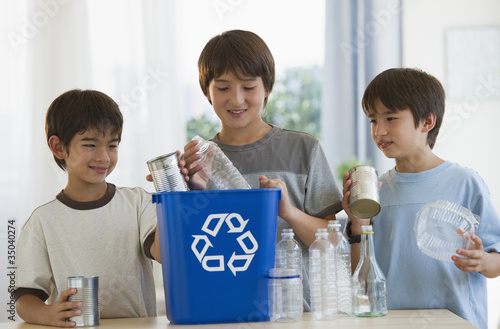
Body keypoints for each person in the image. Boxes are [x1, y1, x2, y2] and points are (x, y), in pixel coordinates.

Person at [178, 30, 344, 311]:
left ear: (267, 88)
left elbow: (333, 243)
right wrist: (189, 192)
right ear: (207, 92)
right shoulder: (199, 163)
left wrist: (289, 212)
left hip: (297, 314)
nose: (236, 99)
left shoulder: (303, 149)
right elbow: (188, 251)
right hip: (224, 310)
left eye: (248, 86)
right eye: (223, 88)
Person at [342, 68, 500, 329]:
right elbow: (361, 277)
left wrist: (483, 261)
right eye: (372, 120)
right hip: (390, 323)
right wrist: (357, 225)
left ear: (427, 121)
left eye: (390, 118)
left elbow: (496, 262)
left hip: (458, 323)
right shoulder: (377, 190)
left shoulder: (465, 182)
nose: (379, 130)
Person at [14, 89, 161, 328]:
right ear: (59, 147)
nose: (104, 157)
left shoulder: (138, 203)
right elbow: (25, 299)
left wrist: (172, 198)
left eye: (112, 145)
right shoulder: (42, 221)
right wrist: (49, 314)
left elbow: (163, 254)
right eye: (90, 145)